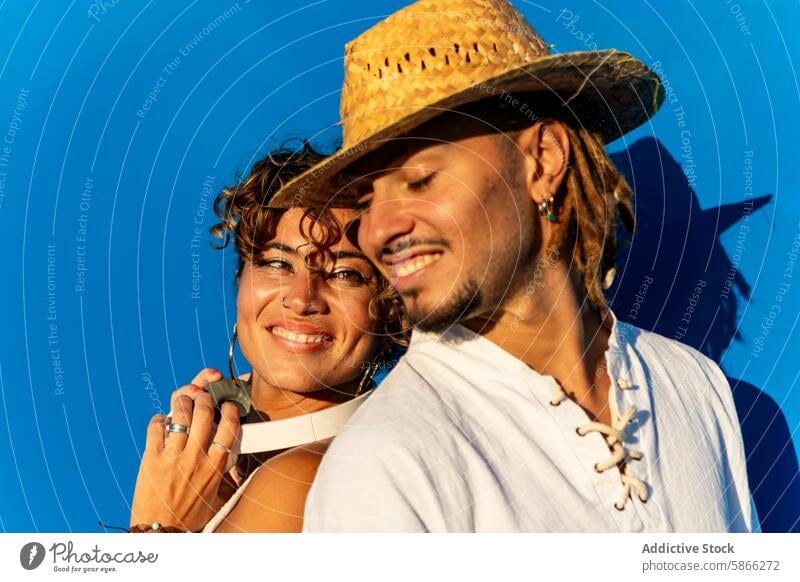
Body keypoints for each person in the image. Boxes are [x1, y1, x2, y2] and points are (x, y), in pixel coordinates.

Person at [268, 0, 760, 532]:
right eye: (366, 201)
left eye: (420, 179)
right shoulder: (386, 463)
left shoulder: (693, 384)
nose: (380, 230)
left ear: (543, 160)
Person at [129, 145, 405, 533]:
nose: (301, 299)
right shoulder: (212, 457)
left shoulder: (303, 481)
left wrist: (157, 526)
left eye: (346, 274)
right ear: (240, 280)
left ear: (391, 310)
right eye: (277, 263)